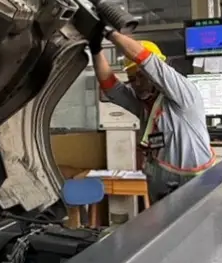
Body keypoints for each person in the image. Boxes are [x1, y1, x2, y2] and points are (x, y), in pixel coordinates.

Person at [90, 26, 215, 201]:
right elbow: (111, 88)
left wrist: (109, 32)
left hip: (195, 178)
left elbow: (147, 61)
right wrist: (95, 48)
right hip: (160, 176)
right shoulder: (143, 105)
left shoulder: (184, 96)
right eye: (132, 78)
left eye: (142, 76)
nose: (136, 83)